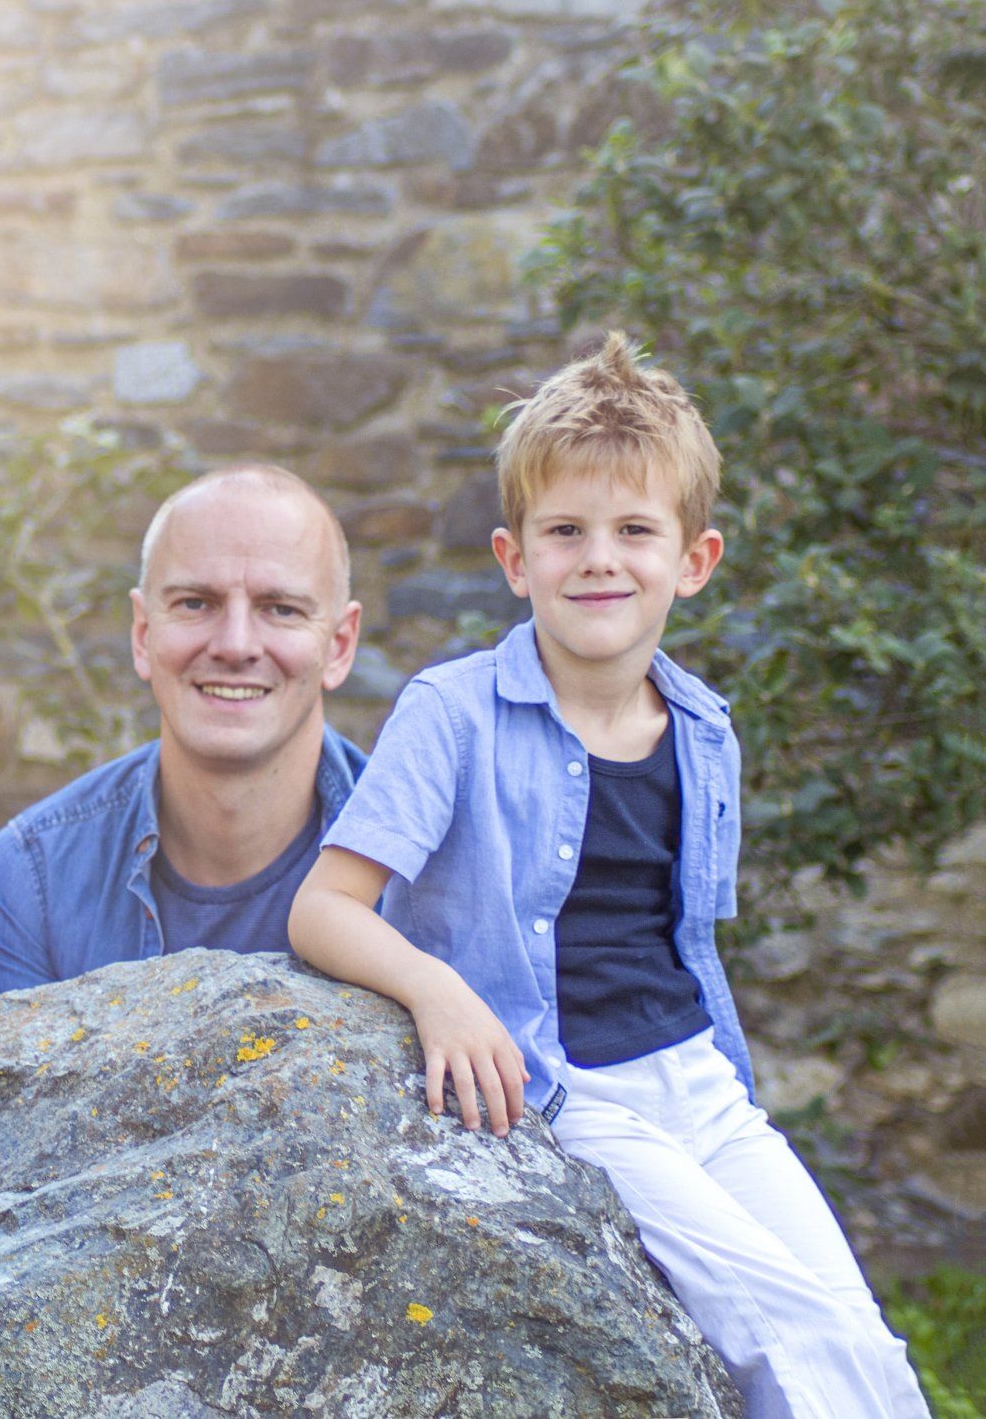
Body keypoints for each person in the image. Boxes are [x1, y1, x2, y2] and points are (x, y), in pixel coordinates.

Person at [289, 335, 926, 1418]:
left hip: (700, 1085)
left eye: (635, 530)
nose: (599, 559)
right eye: (565, 531)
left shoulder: (706, 731)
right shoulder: (452, 715)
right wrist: (441, 993)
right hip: (567, 1086)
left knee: (862, 1333)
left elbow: (684, 947)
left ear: (694, 559)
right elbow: (323, 908)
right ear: (514, 558)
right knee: (792, 1328)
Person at [0, 464, 367, 995]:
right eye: (195, 604)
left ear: (339, 646)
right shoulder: (32, 881)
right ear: (142, 633)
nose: (235, 645)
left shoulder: (431, 870)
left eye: (281, 609)